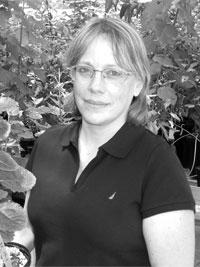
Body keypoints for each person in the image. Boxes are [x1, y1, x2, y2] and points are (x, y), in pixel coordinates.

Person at [14, 17, 195, 266]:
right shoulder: (47, 145)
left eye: (113, 73)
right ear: (73, 75)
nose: (95, 86)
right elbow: (28, 233)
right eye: (85, 70)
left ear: (137, 84)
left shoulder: (156, 163)